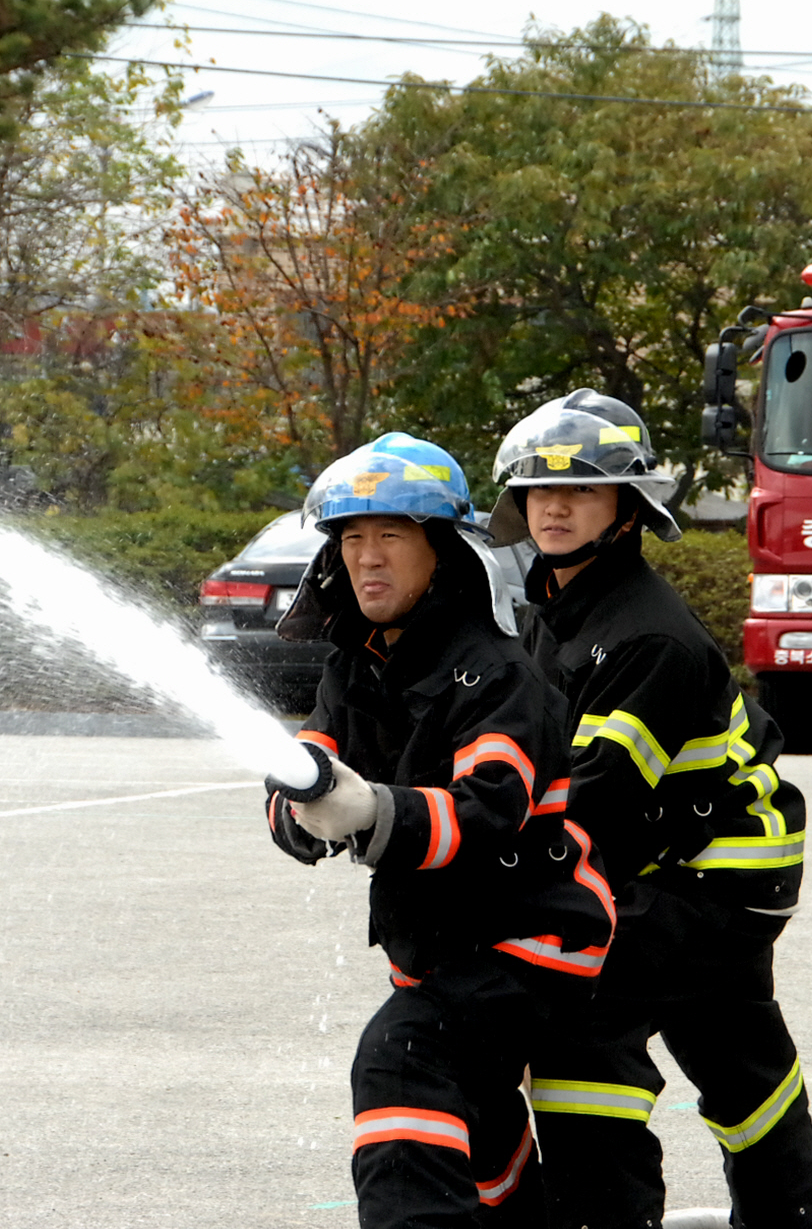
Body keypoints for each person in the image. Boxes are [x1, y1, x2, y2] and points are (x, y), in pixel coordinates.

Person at [489, 390, 812, 1229]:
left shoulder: (647, 635)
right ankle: (791, 1216)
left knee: (584, 1023)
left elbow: (596, 801)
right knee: (737, 1051)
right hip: (689, 865)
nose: (555, 507)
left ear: (628, 510)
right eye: (538, 491)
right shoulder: (557, 609)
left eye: (581, 491)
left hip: (709, 875)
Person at [262, 431, 617, 1229]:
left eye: (390, 536)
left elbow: (492, 811)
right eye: (352, 539)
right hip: (440, 942)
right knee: (475, 1112)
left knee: (404, 1063)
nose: (367, 559)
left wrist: (373, 813)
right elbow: (307, 768)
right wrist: (303, 814)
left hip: (528, 937)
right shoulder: (356, 664)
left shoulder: (497, 671)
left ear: (443, 553)